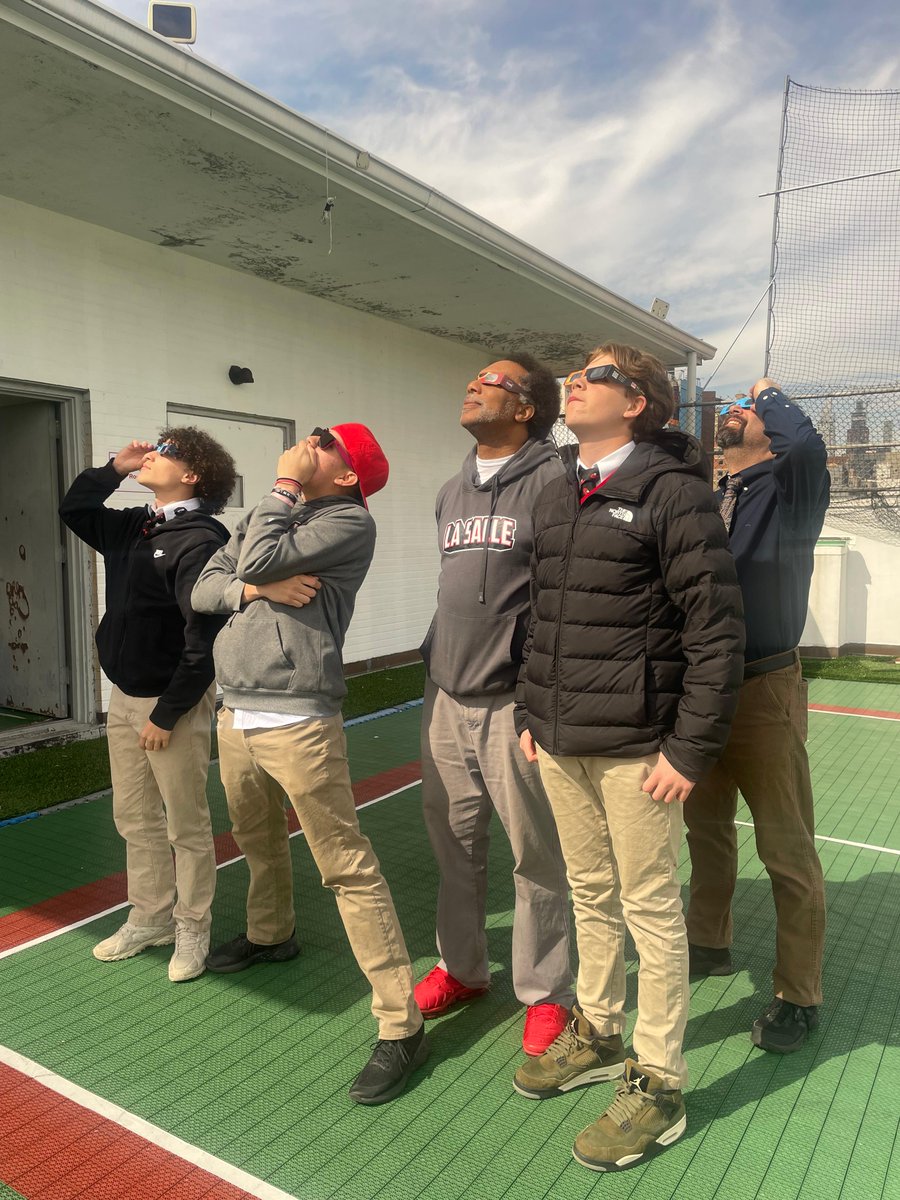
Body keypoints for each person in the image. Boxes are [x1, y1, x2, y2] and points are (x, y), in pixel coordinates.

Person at [512, 343, 744, 1171]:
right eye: (577, 372)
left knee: (650, 907)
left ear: (639, 401)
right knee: (587, 890)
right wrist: (533, 710)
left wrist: (688, 747)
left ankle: (659, 1082)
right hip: (561, 738)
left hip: (641, 749)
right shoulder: (556, 489)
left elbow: (714, 630)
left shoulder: (673, 493)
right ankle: (600, 1033)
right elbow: (541, 616)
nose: (576, 382)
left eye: (597, 374)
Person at [191, 424, 428, 1106]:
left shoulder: (349, 522)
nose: (310, 439)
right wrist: (256, 592)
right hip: (236, 710)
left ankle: (400, 1022)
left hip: (299, 717)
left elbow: (256, 555)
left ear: (347, 474)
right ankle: (271, 935)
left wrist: (283, 490)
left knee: (345, 866)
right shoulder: (282, 515)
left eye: (325, 441)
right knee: (257, 840)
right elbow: (208, 586)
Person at [416, 355, 575, 1056]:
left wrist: (540, 695)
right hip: (446, 697)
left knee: (535, 855)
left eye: (494, 381)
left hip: (515, 703)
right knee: (454, 845)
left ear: (527, 408)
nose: (473, 383)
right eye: (471, 375)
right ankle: (462, 968)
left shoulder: (555, 481)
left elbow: (564, 600)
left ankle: (546, 992)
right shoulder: (452, 490)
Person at [684, 377, 829, 1053]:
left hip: (766, 687)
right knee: (705, 829)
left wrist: (771, 393)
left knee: (785, 847)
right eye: (740, 407)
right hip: (702, 691)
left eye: (751, 410)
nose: (738, 413)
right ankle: (708, 942)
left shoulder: (791, 490)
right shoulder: (712, 495)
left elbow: (807, 444)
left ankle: (799, 993)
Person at [59, 429, 236, 982]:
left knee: (185, 821)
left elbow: (203, 638)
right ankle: (150, 916)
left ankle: (192, 927)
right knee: (134, 816)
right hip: (125, 693)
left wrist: (167, 713)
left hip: (171, 700)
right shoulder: (136, 526)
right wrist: (115, 467)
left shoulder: (202, 539)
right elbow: (76, 508)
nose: (151, 455)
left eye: (168, 452)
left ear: (193, 476)